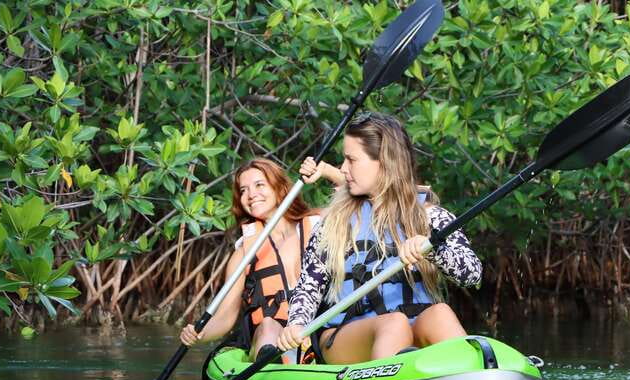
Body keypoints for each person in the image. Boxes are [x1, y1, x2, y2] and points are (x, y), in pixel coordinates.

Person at [277, 112, 482, 364]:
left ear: (384, 162)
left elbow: (473, 274)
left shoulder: (432, 217)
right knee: (394, 324)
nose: (342, 168)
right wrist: (296, 323)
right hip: (348, 335)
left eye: (351, 159)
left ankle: (474, 379)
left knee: (440, 313)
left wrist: (432, 249)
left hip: (415, 324)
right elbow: (309, 286)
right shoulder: (333, 224)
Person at [179, 158, 340, 363]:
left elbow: (363, 195)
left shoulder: (320, 224)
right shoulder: (243, 254)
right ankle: (273, 367)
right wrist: (199, 333)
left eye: (259, 185)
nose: (250, 195)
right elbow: (226, 317)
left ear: (279, 187)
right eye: (243, 190)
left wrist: (325, 170)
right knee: (267, 325)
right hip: (273, 336)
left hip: (318, 329)